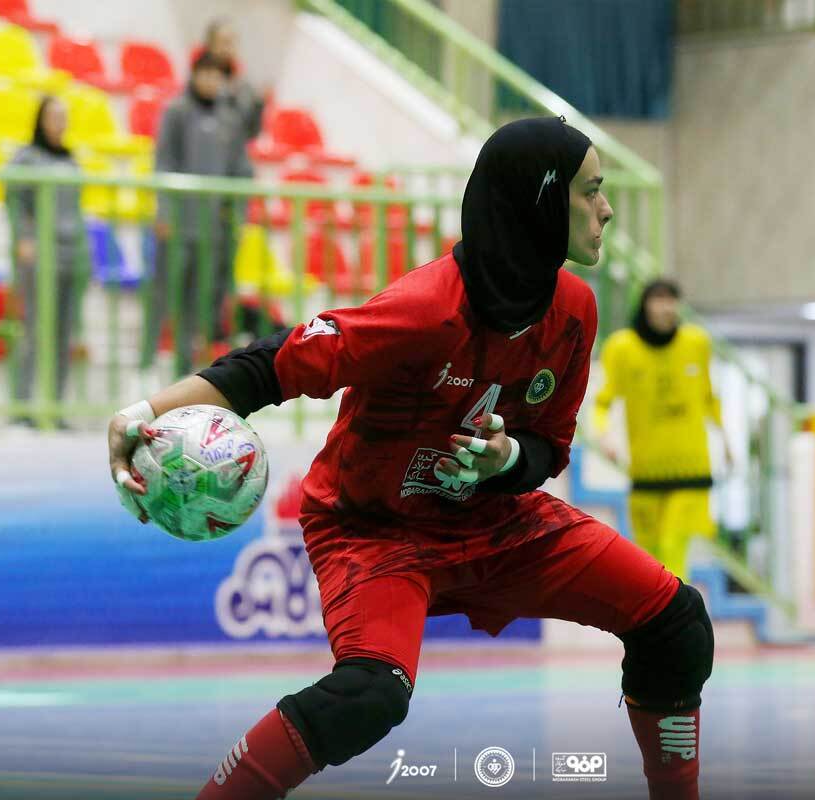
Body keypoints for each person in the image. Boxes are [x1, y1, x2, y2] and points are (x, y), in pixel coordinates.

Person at [108, 117, 713, 799]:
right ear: (541, 200)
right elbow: (273, 366)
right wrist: (142, 413)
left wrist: (505, 459)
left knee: (678, 625)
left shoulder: (575, 310)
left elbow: (550, 448)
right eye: (591, 190)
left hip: (498, 522)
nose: (606, 209)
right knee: (370, 695)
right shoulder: (424, 309)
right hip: (373, 530)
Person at [593, 279, 730, 580]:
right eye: (658, 299)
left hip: (692, 468)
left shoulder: (697, 343)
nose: (666, 307)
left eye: (671, 299)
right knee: (649, 558)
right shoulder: (622, 348)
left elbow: (709, 398)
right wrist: (604, 434)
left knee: (673, 546)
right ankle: (660, 610)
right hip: (645, 472)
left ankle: (677, 608)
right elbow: (603, 401)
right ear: (644, 305)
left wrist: (726, 441)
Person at [144, 52, 254, 376]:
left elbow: (240, 170)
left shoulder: (230, 119)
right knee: (162, 293)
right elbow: (163, 162)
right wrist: (164, 211)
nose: (210, 80)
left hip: (212, 229)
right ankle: (145, 362)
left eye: (217, 74)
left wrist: (237, 215)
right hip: (177, 225)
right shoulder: (176, 111)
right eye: (205, 73)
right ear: (193, 74)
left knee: (198, 302)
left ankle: (184, 369)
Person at [7, 95, 88, 428]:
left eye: (64, 116)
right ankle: (21, 407)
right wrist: (23, 237)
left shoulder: (71, 159)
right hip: (40, 253)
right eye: (53, 115)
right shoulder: (26, 158)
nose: (59, 122)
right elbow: (15, 201)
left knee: (64, 334)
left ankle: (55, 408)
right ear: (40, 119)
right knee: (33, 330)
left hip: (71, 253)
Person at [196, 17, 265, 142]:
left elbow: (251, 132)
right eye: (224, 42)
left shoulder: (243, 85)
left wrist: (259, 104)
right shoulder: (196, 82)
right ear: (210, 44)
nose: (228, 48)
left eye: (232, 42)